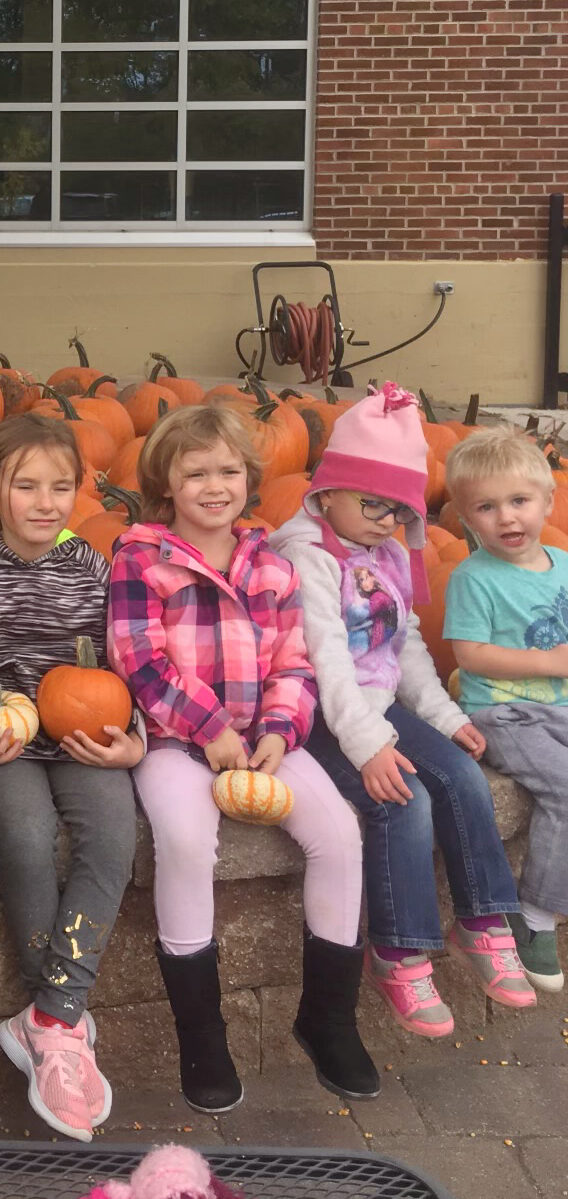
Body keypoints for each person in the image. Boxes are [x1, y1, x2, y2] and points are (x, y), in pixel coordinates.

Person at [106, 404, 376, 1114]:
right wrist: (207, 731)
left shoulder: (272, 567)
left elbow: (294, 661)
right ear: (166, 482)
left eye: (228, 470)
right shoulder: (141, 560)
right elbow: (140, 662)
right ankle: (203, 1037)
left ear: (249, 479)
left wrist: (283, 731)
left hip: (262, 740)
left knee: (341, 835)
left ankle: (328, 1017)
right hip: (175, 741)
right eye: (196, 472)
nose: (214, 484)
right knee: (188, 840)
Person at [270, 384, 531, 1038]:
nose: (387, 519)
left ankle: (483, 921)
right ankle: (400, 951)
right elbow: (325, 658)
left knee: (463, 775)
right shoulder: (307, 556)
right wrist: (366, 743)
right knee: (403, 799)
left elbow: (405, 641)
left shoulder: (385, 551)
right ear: (328, 491)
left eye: (399, 508)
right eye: (372, 502)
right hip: (326, 717)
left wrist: (444, 716)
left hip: (381, 704)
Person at [0, 414, 139, 1141]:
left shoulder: (91, 566)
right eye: (27, 486)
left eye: (62, 486)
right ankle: (55, 1023)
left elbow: (126, 657)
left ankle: (52, 1017)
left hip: (85, 734)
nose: (47, 501)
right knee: (25, 837)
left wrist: (133, 737)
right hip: (4, 742)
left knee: (111, 836)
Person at [444, 426, 568, 992]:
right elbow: (469, 653)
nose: (507, 518)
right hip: (504, 713)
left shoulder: (563, 563)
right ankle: (536, 914)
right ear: (467, 519)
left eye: (519, 501)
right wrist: (549, 663)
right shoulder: (474, 577)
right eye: (487, 508)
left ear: (547, 499)